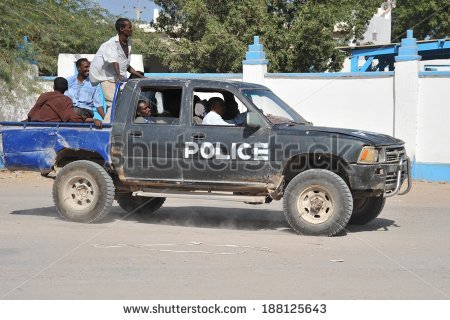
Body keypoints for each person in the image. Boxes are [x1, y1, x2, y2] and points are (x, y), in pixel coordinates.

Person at [89, 18, 145, 121]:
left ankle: (114, 125)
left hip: (118, 77)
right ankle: (107, 127)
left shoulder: (128, 43)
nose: (131, 29)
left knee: (121, 103)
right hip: (107, 77)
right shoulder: (110, 44)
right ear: (121, 29)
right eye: (129, 27)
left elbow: (126, 66)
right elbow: (114, 60)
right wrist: (119, 75)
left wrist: (142, 77)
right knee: (114, 102)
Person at [27, 77, 102, 128]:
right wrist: (94, 120)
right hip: (52, 127)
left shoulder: (44, 96)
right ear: (66, 88)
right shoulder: (65, 100)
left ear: (54, 87)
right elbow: (73, 119)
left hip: (35, 124)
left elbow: (32, 112)